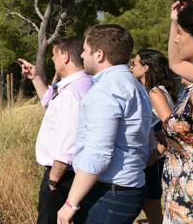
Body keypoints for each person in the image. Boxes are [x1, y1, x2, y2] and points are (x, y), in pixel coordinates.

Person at [57, 24, 152, 224]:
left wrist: (70, 204)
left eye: (84, 50)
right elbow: (149, 141)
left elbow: (98, 154)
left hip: (110, 193)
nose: (82, 56)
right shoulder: (135, 85)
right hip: (130, 188)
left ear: (99, 54)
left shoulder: (105, 91)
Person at [18, 36, 93, 224]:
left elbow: (68, 142)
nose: (52, 59)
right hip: (76, 172)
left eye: (54, 54)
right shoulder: (84, 83)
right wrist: (35, 77)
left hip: (62, 176)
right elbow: (50, 103)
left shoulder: (71, 93)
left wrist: (52, 180)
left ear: (65, 56)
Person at [131, 49, 177, 223]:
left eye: (134, 64)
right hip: (153, 159)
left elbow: (167, 130)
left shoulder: (155, 93)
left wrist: (152, 157)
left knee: (153, 211)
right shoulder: (155, 91)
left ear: (146, 68)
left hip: (154, 161)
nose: (131, 67)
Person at [161, 2, 193, 223]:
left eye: (180, 33)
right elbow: (175, 62)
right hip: (178, 193)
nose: (176, 39)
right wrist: (175, 21)